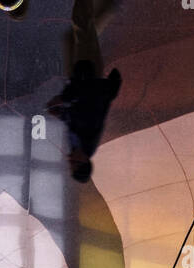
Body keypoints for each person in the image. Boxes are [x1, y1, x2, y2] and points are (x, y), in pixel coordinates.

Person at [46, 0, 121, 183]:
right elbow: (89, 97)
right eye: (75, 163)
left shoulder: (75, 144)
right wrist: (62, 99)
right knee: (81, 23)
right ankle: (107, 8)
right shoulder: (89, 136)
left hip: (77, 77)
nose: (69, 159)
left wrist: (60, 113)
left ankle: (108, 9)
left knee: (71, 38)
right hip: (89, 73)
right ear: (85, 161)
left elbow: (73, 116)